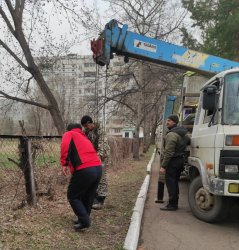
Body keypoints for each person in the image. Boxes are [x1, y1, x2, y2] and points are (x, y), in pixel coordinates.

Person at [60, 123, 102, 231]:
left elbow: (65, 147)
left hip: (86, 169)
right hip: (98, 168)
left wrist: (64, 163)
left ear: (68, 129)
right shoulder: (84, 137)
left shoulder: (69, 134)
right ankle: (83, 218)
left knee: (72, 195)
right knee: (88, 195)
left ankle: (85, 221)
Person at [159, 114, 190, 211]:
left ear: (174, 122)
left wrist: (163, 166)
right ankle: (174, 203)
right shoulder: (184, 133)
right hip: (180, 160)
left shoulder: (172, 134)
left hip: (173, 161)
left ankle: (172, 205)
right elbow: (188, 142)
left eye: (169, 120)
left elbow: (169, 152)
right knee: (175, 182)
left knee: (171, 183)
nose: (167, 122)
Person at [81, 115, 110, 210]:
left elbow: (102, 145)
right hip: (93, 157)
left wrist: (98, 158)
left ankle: (101, 199)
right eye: (84, 126)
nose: (85, 128)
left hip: (103, 156)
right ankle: (95, 197)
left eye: (86, 125)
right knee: (94, 177)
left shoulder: (100, 130)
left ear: (90, 123)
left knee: (102, 177)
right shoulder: (86, 131)